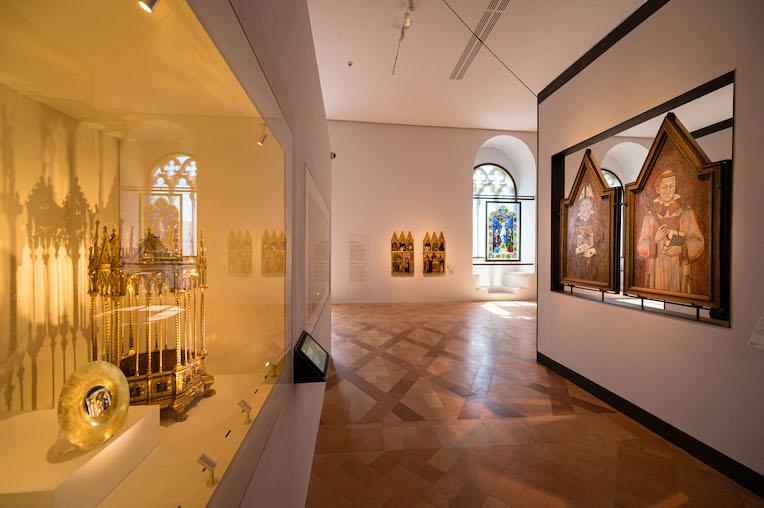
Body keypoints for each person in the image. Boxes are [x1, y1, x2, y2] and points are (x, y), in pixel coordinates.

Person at [637, 167, 704, 292]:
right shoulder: (649, 216)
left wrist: (681, 249)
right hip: (656, 271)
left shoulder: (687, 213)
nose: (668, 191)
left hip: (679, 269)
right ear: (658, 189)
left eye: (671, 186)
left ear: (675, 187)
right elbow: (641, 246)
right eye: (664, 187)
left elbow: (698, 242)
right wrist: (655, 240)